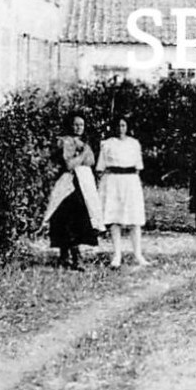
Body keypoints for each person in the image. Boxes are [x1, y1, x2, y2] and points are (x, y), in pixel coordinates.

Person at [41, 114, 103, 272]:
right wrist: (81, 155)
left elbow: (91, 162)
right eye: (75, 125)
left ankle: (72, 256)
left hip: (83, 183)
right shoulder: (65, 141)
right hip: (69, 183)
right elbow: (69, 164)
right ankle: (70, 255)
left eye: (81, 125)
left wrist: (82, 157)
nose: (78, 128)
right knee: (64, 217)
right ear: (70, 125)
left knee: (79, 217)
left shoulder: (85, 143)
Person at [96, 116, 147, 268]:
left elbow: (138, 166)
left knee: (134, 218)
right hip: (113, 181)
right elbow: (101, 167)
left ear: (127, 127)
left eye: (123, 125)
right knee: (114, 218)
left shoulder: (134, 143)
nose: (121, 128)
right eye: (118, 125)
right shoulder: (107, 144)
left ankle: (138, 254)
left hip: (130, 181)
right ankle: (117, 254)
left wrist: (131, 181)